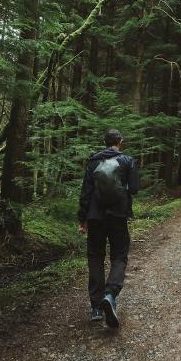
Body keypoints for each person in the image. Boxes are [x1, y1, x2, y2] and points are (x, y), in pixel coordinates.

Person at [78, 128, 139, 328]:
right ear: (119, 142)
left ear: (105, 142)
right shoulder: (127, 160)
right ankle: (110, 294)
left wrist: (82, 219)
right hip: (118, 215)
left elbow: (85, 192)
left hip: (95, 216)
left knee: (95, 256)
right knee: (119, 255)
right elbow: (135, 189)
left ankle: (96, 307)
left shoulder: (93, 161)